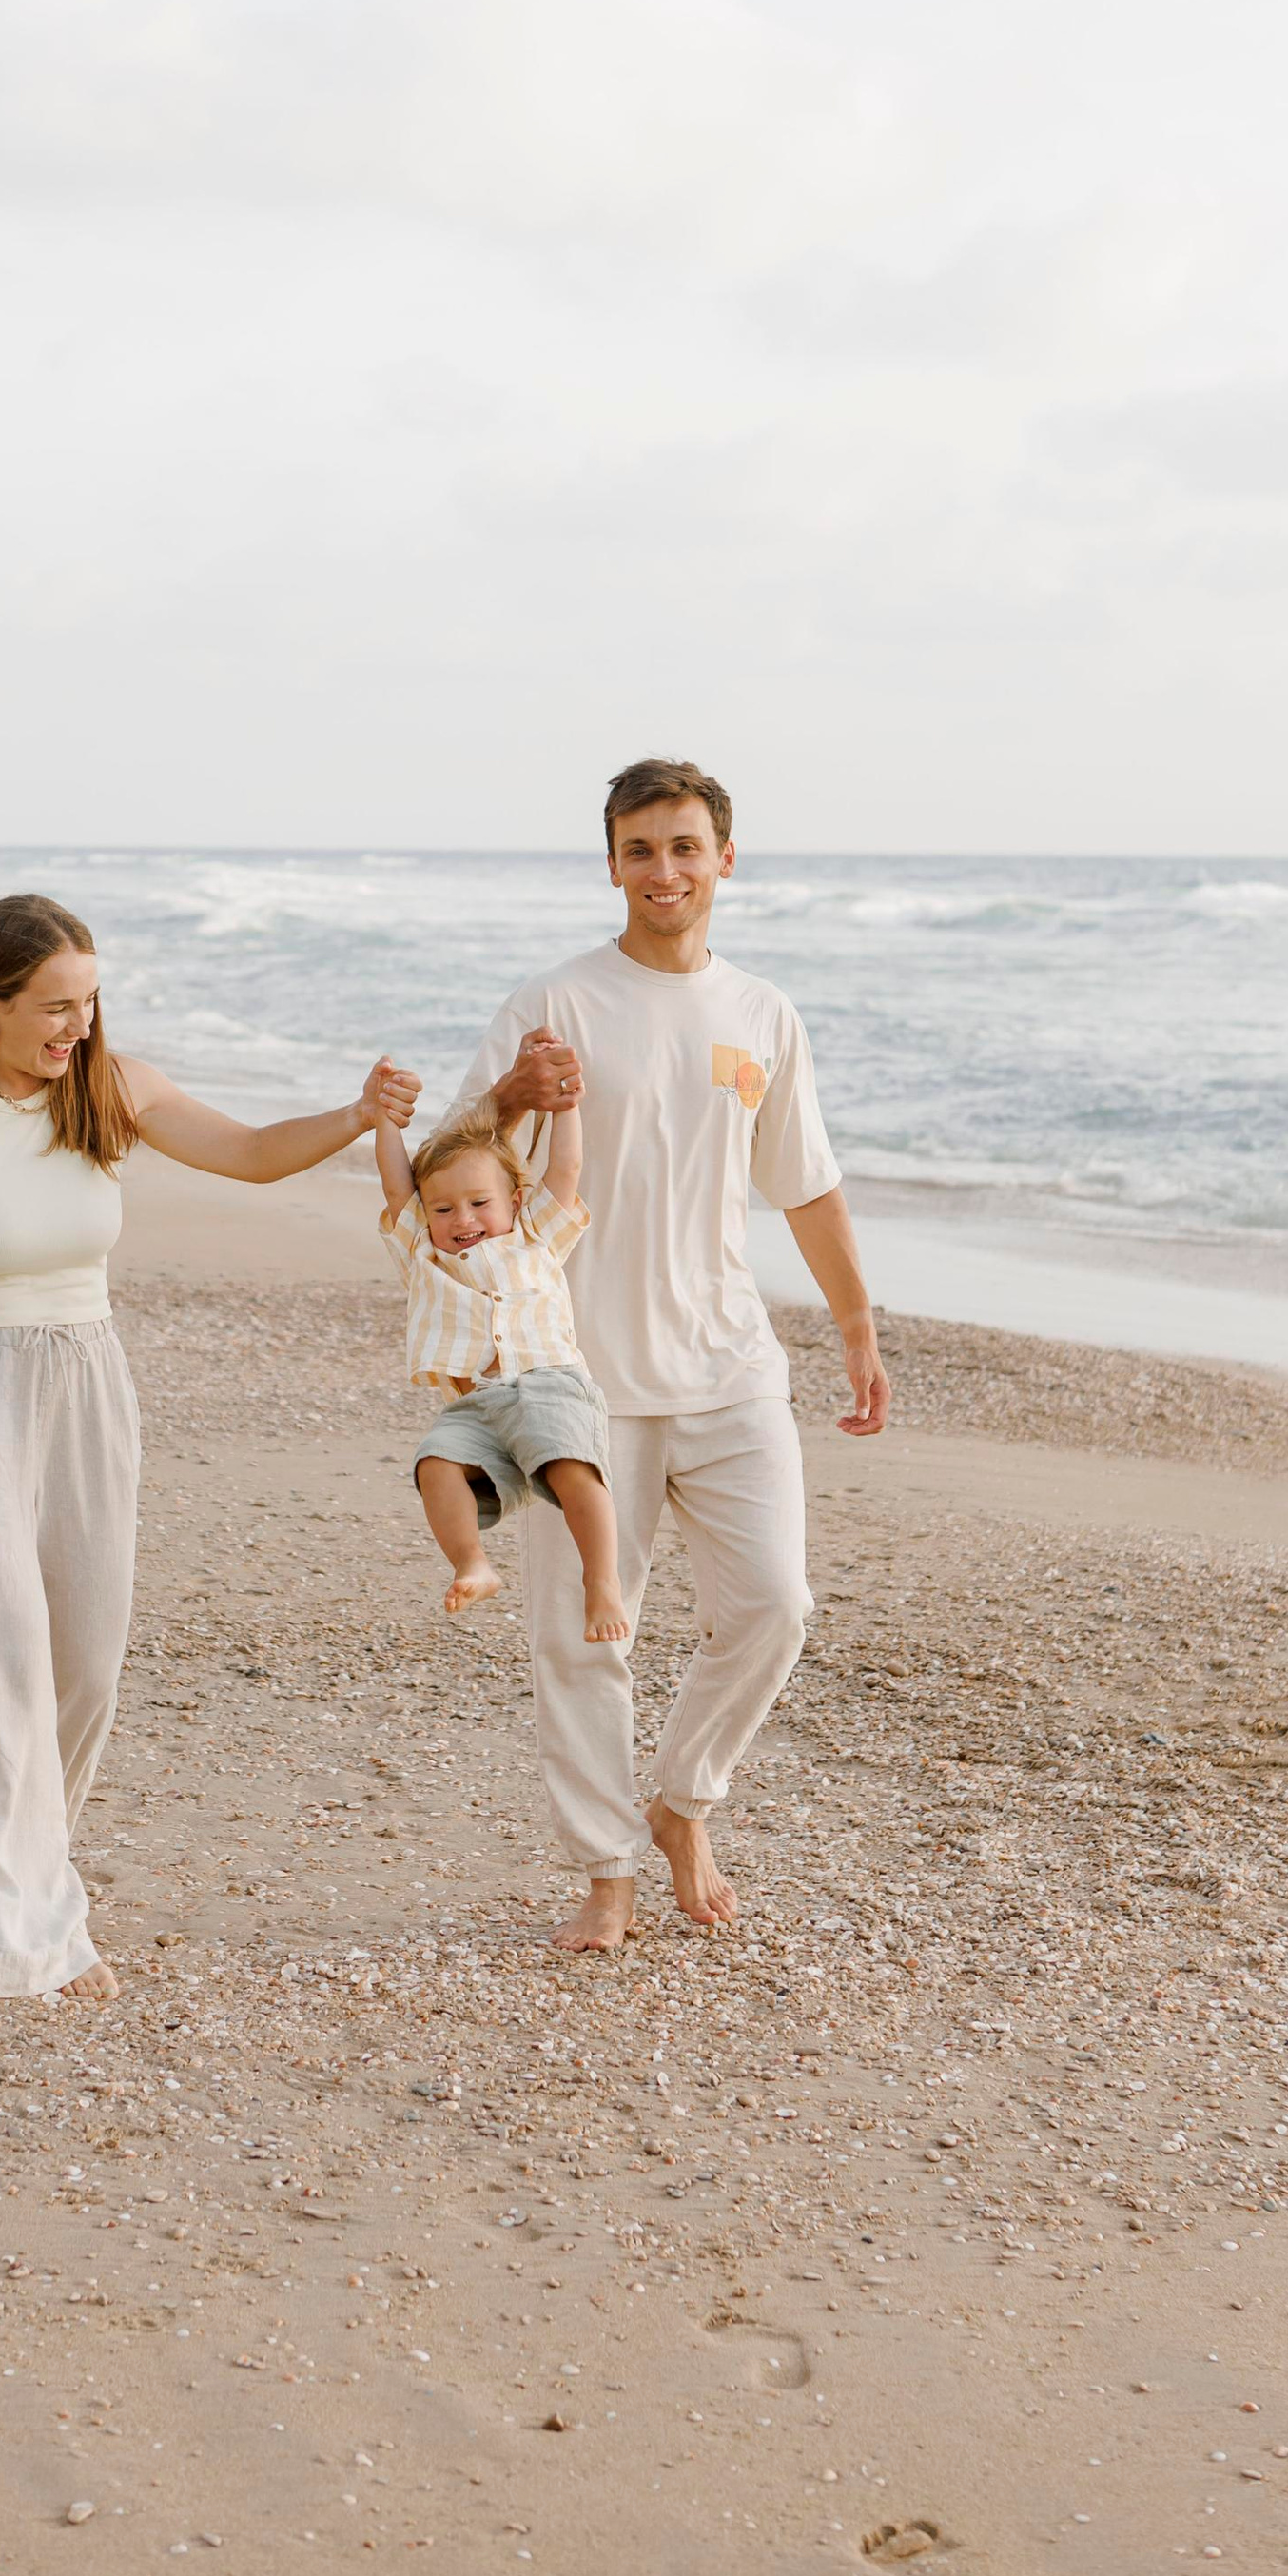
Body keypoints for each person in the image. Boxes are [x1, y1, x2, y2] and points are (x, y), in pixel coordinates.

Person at [0, 891, 417, 2006]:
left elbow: (255, 1153)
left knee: (85, 1658)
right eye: (55, 1008)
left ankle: (18, 1857)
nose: (76, 1027)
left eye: (89, 1003)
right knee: (5, 1643)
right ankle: (32, 1931)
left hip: (86, 1389)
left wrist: (358, 1116)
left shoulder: (105, 1095)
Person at [453, 758, 888, 1951]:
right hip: (575, 1384)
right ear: (610, 863)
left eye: (685, 848)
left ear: (724, 860)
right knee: (586, 1636)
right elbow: (457, 1169)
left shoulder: (764, 1015)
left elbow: (804, 1183)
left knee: (776, 1607)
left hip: (731, 1363)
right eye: (640, 850)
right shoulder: (555, 1006)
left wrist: (854, 1324)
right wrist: (508, 1090)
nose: (664, 872)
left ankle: (681, 1797)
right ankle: (606, 1875)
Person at [372, 1090, 626, 1639]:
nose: (463, 1219)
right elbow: (396, 1185)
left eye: (479, 1203)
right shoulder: (423, 1256)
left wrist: (566, 1105)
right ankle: (472, 1562)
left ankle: (602, 1581)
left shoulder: (536, 1237)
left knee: (571, 1466)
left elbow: (567, 1166)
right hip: (475, 1407)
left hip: (549, 1384)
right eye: (443, 1209)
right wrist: (383, 1120)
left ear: (515, 1200)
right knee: (434, 1464)